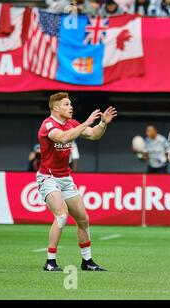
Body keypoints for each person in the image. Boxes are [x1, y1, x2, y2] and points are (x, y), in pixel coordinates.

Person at [37, 92, 117, 272]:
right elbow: (62, 137)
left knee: (83, 219)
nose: (71, 107)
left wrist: (102, 123)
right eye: (66, 104)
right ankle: (50, 261)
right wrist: (86, 123)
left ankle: (87, 261)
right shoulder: (48, 125)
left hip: (65, 178)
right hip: (48, 177)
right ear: (56, 108)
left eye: (70, 104)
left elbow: (95, 135)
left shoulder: (72, 124)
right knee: (62, 215)